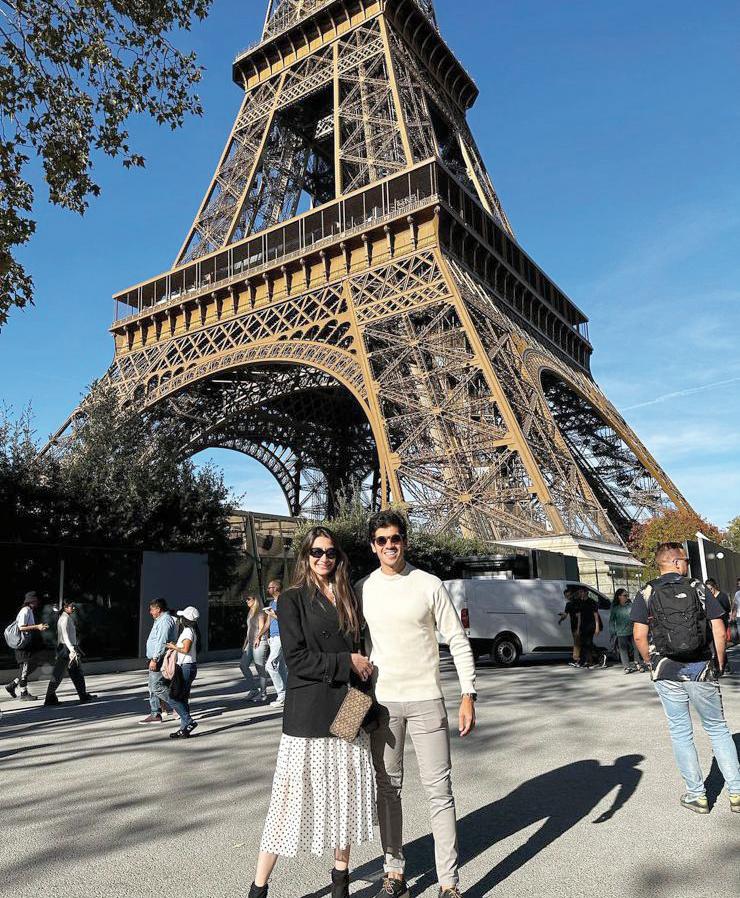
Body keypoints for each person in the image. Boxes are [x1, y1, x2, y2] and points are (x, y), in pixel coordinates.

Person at [247, 527, 375, 898]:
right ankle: (259, 887)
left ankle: (340, 882)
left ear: (339, 557)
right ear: (305, 556)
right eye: (316, 552)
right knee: (287, 803)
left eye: (331, 552)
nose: (324, 558)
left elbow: (364, 646)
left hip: (349, 707)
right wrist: (345, 661)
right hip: (309, 713)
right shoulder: (292, 599)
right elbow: (296, 659)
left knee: (344, 799)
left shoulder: (349, 596)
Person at [356, 511, 476, 898]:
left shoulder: (429, 584)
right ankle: (394, 871)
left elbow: (456, 639)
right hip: (383, 702)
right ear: (373, 545)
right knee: (388, 789)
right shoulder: (363, 588)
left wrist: (468, 693)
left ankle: (449, 883)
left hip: (427, 699)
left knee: (439, 790)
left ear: (404, 540)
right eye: (381, 540)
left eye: (395, 538)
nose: (389, 545)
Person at [631, 542, 740, 814]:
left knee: (681, 732)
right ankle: (737, 793)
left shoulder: (646, 592)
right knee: (717, 729)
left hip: (666, 670)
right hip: (701, 667)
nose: (688, 565)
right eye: (687, 561)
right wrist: (720, 661)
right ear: (677, 562)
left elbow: (638, 636)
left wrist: (649, 661)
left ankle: (697, 795)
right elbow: (718, 628)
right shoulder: (699, 588)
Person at [44, 600, 96, 705]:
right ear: (65, 607)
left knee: (75, 673)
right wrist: (72, 650)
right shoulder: (64, 619)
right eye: (71, 606)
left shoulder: (66, 617)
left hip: (67, 648)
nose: (73, 608)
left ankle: (82, 695)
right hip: (66, 649)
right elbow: (65, 636)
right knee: (60, 674)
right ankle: (50, 698)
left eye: (73, 606)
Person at [4, 591, 49, 702]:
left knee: (31, 666)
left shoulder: (29, 611)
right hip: (22, 645)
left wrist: (38, 627)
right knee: (24, 669)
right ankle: (23, 693)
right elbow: (21, 627)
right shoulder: (25, 610)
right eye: (36, 600)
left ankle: (12, 685)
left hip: (27, 645)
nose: (37, 602)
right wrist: (37, 626)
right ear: (31, 601)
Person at [139, 598, 178, 724]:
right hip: (156, 658)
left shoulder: (164, 621)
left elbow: (162, 641)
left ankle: (178, 704)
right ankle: (155, 713)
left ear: (158, 609)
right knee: (154, 686)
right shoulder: (160, 620)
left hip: (159, 658)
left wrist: (155, 659)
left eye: (152, 609)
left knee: (155, 686)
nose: (150, 612)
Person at [165, 606, 201, 739]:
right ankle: (184, 728)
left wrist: (173, 646)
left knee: (173, 697)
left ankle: (189, 721)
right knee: (183, 698)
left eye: (182, 617)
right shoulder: (191, 630)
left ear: (185, 619)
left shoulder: (187, 632)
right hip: (188, 666)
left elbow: (185, 649)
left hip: (186, 667)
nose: (180, 619)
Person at [264, 579, 288, 707]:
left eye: (270, 587)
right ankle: (286, 694)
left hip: (281, 636)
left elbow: (286, 619)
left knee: (270, 665)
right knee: (281, 666)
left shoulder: (284, 601)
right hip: (273, 638)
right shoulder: (272, 603)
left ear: (276, 588)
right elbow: (268, 622)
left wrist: (273, 614)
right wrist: (260, 635)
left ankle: (282, 694)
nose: (268, 589)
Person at [241, 594, 269, 702]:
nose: (246, 601)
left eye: (248, 599)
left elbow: (262, 627)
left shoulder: (260, 612)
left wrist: (258, 637)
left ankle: (263, 693)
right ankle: (253, 690)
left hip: (260, 642)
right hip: (250, 643)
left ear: (255, 600)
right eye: (246, 599)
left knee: (260, 667)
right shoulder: (250, 612)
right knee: (243, 665)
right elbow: (249, 630)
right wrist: (245, 643)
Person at [609, 589, 644, 674]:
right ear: (619, 596)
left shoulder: (630, 605)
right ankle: (626, 667)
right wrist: (613, 631)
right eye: (625, 595)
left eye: (627, 595)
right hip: (621, 631)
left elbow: (635, 616)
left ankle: (638, 663)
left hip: (633, 630)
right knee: (623, 650)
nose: (627, 597)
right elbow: (612, 620)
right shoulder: (615, 608)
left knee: (636, 647)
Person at [575, 586, 603, 669]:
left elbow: (596, 615)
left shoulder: (592, 602)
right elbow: (579, 616)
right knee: (584, 644)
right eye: (579, 593)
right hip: (583, 626)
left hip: (591, 625)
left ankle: (599, 656)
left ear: (585, 592)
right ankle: (584, 661)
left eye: (581, 592)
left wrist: (597, 627)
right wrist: (578, 628)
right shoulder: (580, 602)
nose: (580, 594)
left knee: (588, 643)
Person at [558, 586, 581, 667]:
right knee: (577, 643)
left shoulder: (577, 603)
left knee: (577, 644)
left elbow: (579, 616)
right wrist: (561, 619)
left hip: (579, 627)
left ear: (572, 595)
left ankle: (577, 659)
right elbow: (565, 615)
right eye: (566, 596)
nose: (568, 597)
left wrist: (578, 628)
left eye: (569, 595)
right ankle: (578, 660)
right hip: (573, 627)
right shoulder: (568, 604)